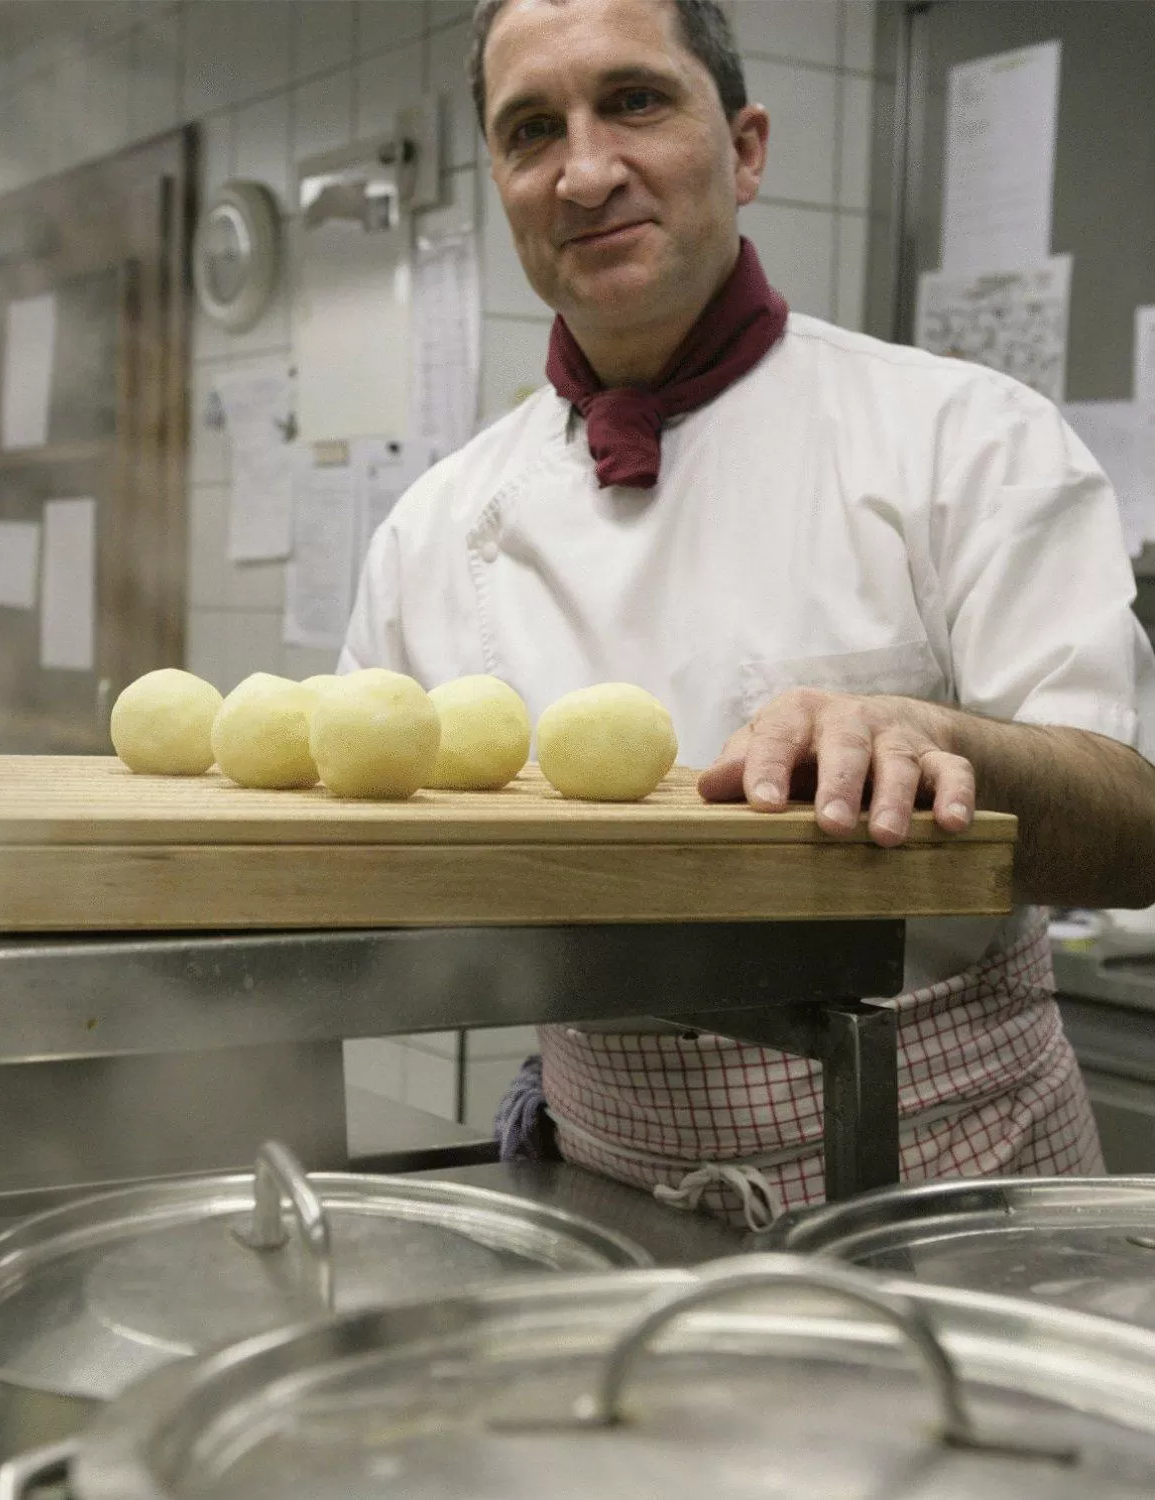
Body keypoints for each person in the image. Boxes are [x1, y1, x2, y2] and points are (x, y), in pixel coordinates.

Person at [340, 0, 1155, 1228]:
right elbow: (358, 891)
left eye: (634, 101)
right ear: (502, 187)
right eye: (529, 131)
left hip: (955, 1194)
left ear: (748, 147)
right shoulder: (432, 528)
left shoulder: (963, 438)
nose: (587, 170)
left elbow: (1134, 829)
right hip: (603, 1200)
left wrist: (935, 742)